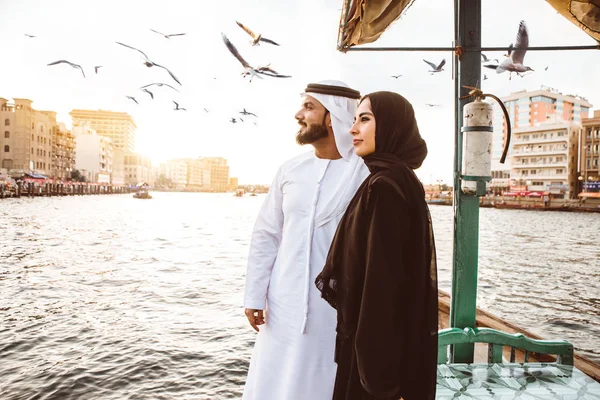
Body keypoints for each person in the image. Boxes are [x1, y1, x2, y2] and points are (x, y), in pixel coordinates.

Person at [242, 80, 370, 400]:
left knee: (324, 381)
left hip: (336, 309)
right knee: (273, 382)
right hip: (281, 302)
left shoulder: (366, 172)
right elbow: (267, 233)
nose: (299, 114)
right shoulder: (290, 170)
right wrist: (255, 294)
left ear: (333, 116)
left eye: (309, 107)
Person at [315, 91, 439, 400]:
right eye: (355, 119)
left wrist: (379, 380)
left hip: (374, 365)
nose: (353, 129)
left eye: (365, 119)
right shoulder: (399, 180)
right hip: (386, 353)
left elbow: (380, 287)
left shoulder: (384, 188)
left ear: (392, 126)